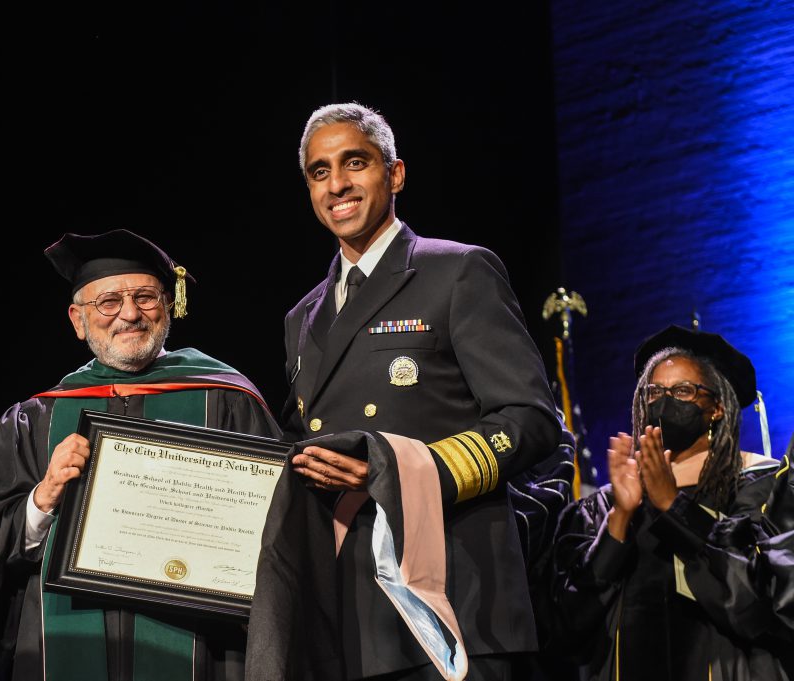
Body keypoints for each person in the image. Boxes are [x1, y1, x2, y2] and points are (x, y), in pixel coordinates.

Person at [245, 102, 564, 681]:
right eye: (319, 172)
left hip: (453, 597)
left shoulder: (458, 272)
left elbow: (533, 419)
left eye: (354, 163)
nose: (337, 184)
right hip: (350, 611)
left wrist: (399, 471)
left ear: (394, 174)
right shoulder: (302, 317)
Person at [0, 229, 281, 681]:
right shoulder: (37, 418)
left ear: (169, 307)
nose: (130, 314)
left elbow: (284, 533)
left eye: (146, 298)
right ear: (78, 319)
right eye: (109, 302)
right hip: (64, 646)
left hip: (203, 650)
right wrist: (42, 500)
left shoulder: (228, 400)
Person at [550, 324, 794, 680]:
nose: (665, 402)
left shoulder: (760, 488)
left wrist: (673, 506)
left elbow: (763, 602)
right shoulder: (606, 505)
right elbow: (567, 627)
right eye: (654, 392)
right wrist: (619, 519)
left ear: (717, 408)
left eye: (683, 390)